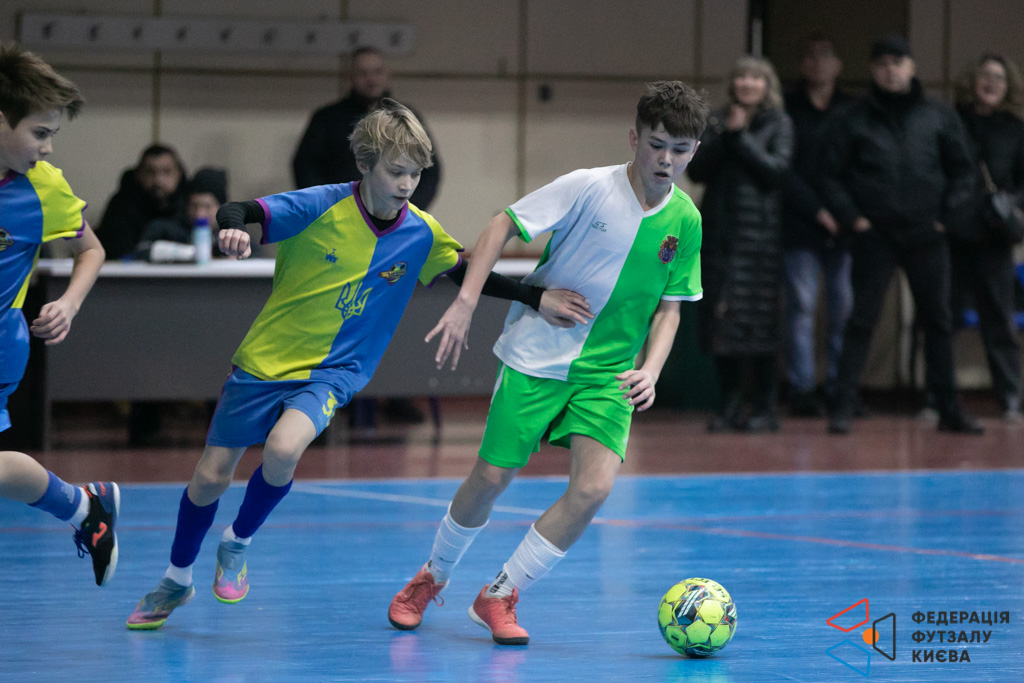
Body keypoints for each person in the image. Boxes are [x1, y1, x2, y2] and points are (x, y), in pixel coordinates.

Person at [125, 99, 589, 630]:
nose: (407, 184)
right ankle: (176, 578)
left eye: (416, 173)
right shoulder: (320, 204)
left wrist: (535, 297)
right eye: (397, 171)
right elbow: (239, 211)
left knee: (284, 448)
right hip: (264, 363)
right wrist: (231, 229)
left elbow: (466, 272)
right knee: (210, 477)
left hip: (334, 372)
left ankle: (238, 541)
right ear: (365, 164)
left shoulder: (421, 231)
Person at [387, 81, 708, 645]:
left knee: (593, 489)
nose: (666, 159)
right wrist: (466, 302)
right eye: (657, 145)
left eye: (680, 150)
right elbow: (500, 224)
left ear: (694, 151)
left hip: (608, 376)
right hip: (537, 357)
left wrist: (652, 369)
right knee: (491, 478)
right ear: (634, 139)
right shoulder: (588, 187)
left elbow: (671, 309)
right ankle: (431, 576)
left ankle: (500, 593)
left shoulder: (686, 220)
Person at [819, 35, 982, 435]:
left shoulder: (939, 116)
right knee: (862, 320)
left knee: (938, 322)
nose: (891, 70)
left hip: (927, 233)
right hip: (874, 233)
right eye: (882, 64)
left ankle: (948, 407)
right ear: (872, 70)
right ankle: (844, 405)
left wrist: (946, 218)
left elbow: (964, 171)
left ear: (911, 67)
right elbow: (829, 174)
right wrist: (852, 218)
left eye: (898, 62)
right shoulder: (852, 117)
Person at [0, 42, 119, 586]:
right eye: (40, 133)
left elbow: (91, 250)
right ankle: (83, 505)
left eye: (52, 134)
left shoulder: (42, 188)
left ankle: (83, 507)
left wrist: (68, 303)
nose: (47, 148)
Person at [293, 46, 444, 430]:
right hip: (339, 237)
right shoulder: (327, 119)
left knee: (389, 317)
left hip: (392, 237)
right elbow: (305, 168)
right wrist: (333, 213)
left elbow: (431, 169)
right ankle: (324, 394)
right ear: (350, 76)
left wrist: (404, 211)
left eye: (377, 71)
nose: (371, 78)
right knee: (334, 315)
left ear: (387, 74)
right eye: (363, 72)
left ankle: (396, 394)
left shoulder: (407, 118)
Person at [686, 56, 794, 432]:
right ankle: (730, 403)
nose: (747, 83)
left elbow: (776, 171)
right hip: (720, 237)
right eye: (742, 77)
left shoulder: (778, 123)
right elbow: (696, 170)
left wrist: (739, 138)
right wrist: (724, 136)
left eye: (755, 78)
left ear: (767, 85)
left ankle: (764, 406)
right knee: (721, 322)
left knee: (761, 324)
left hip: (760, 240)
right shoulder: (716, 121)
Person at [781, 36, 855, 417]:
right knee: (801, 309)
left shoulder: (853, 109)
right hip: (800, 224)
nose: (817, 62)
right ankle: (802, 389)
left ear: (838, 64)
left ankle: (841, 389)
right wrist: (817, 211)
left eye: (825, 55)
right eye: (809, 56)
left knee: (844, 312)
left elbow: (861, 164)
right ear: (802, 65)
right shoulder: (788, 107)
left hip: (846, 226)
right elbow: (784, 169)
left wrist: (844, 212)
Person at [948, 54, 1024, 422]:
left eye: (999, 77)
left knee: (999, 321)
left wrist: (1012, 204)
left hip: (995, 235)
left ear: (1008, 87)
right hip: (954, 233)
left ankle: (1010, 397)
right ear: (972, 81)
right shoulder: (952, 122)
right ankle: (938, 396)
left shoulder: (1017, 129)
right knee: (944, 317)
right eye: (986, 75)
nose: (992, 82)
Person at [98, 143, 189, 261]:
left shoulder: (190, 203)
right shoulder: (122, 205)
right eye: (150, 172)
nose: (158, 180)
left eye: (167, 172)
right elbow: (113, 253)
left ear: (179, 174)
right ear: (139, 174)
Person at [136, 167, 229, 258]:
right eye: (193, 206)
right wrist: (183, 253)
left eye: (207, 207)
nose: (199, 214)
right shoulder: (163, 229)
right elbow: (141, 251)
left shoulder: (230, 235)